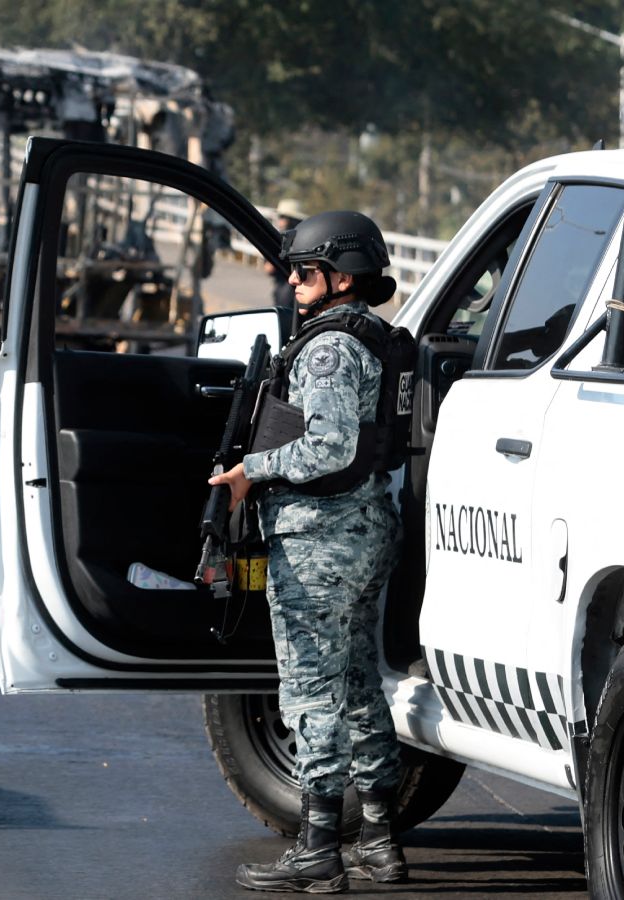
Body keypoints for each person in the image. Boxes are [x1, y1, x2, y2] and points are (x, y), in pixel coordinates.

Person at [208, 210, 406, 893]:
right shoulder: (371, 337)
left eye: (305, 270)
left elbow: (329, 445)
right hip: (363, 528)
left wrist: (249, 474)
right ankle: (379, 839)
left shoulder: (327, 349)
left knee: (311, 689)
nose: (291, 280)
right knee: (356, 686)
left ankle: (319, 845)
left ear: (342, 276)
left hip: (319, 539)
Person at [264, 198, 307, 309]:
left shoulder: (282, 240)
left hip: (286, 293)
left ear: (291, 220)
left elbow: (269, 268)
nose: (280, 220)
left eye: (283, 217)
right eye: (280, 217)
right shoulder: (306, 240)